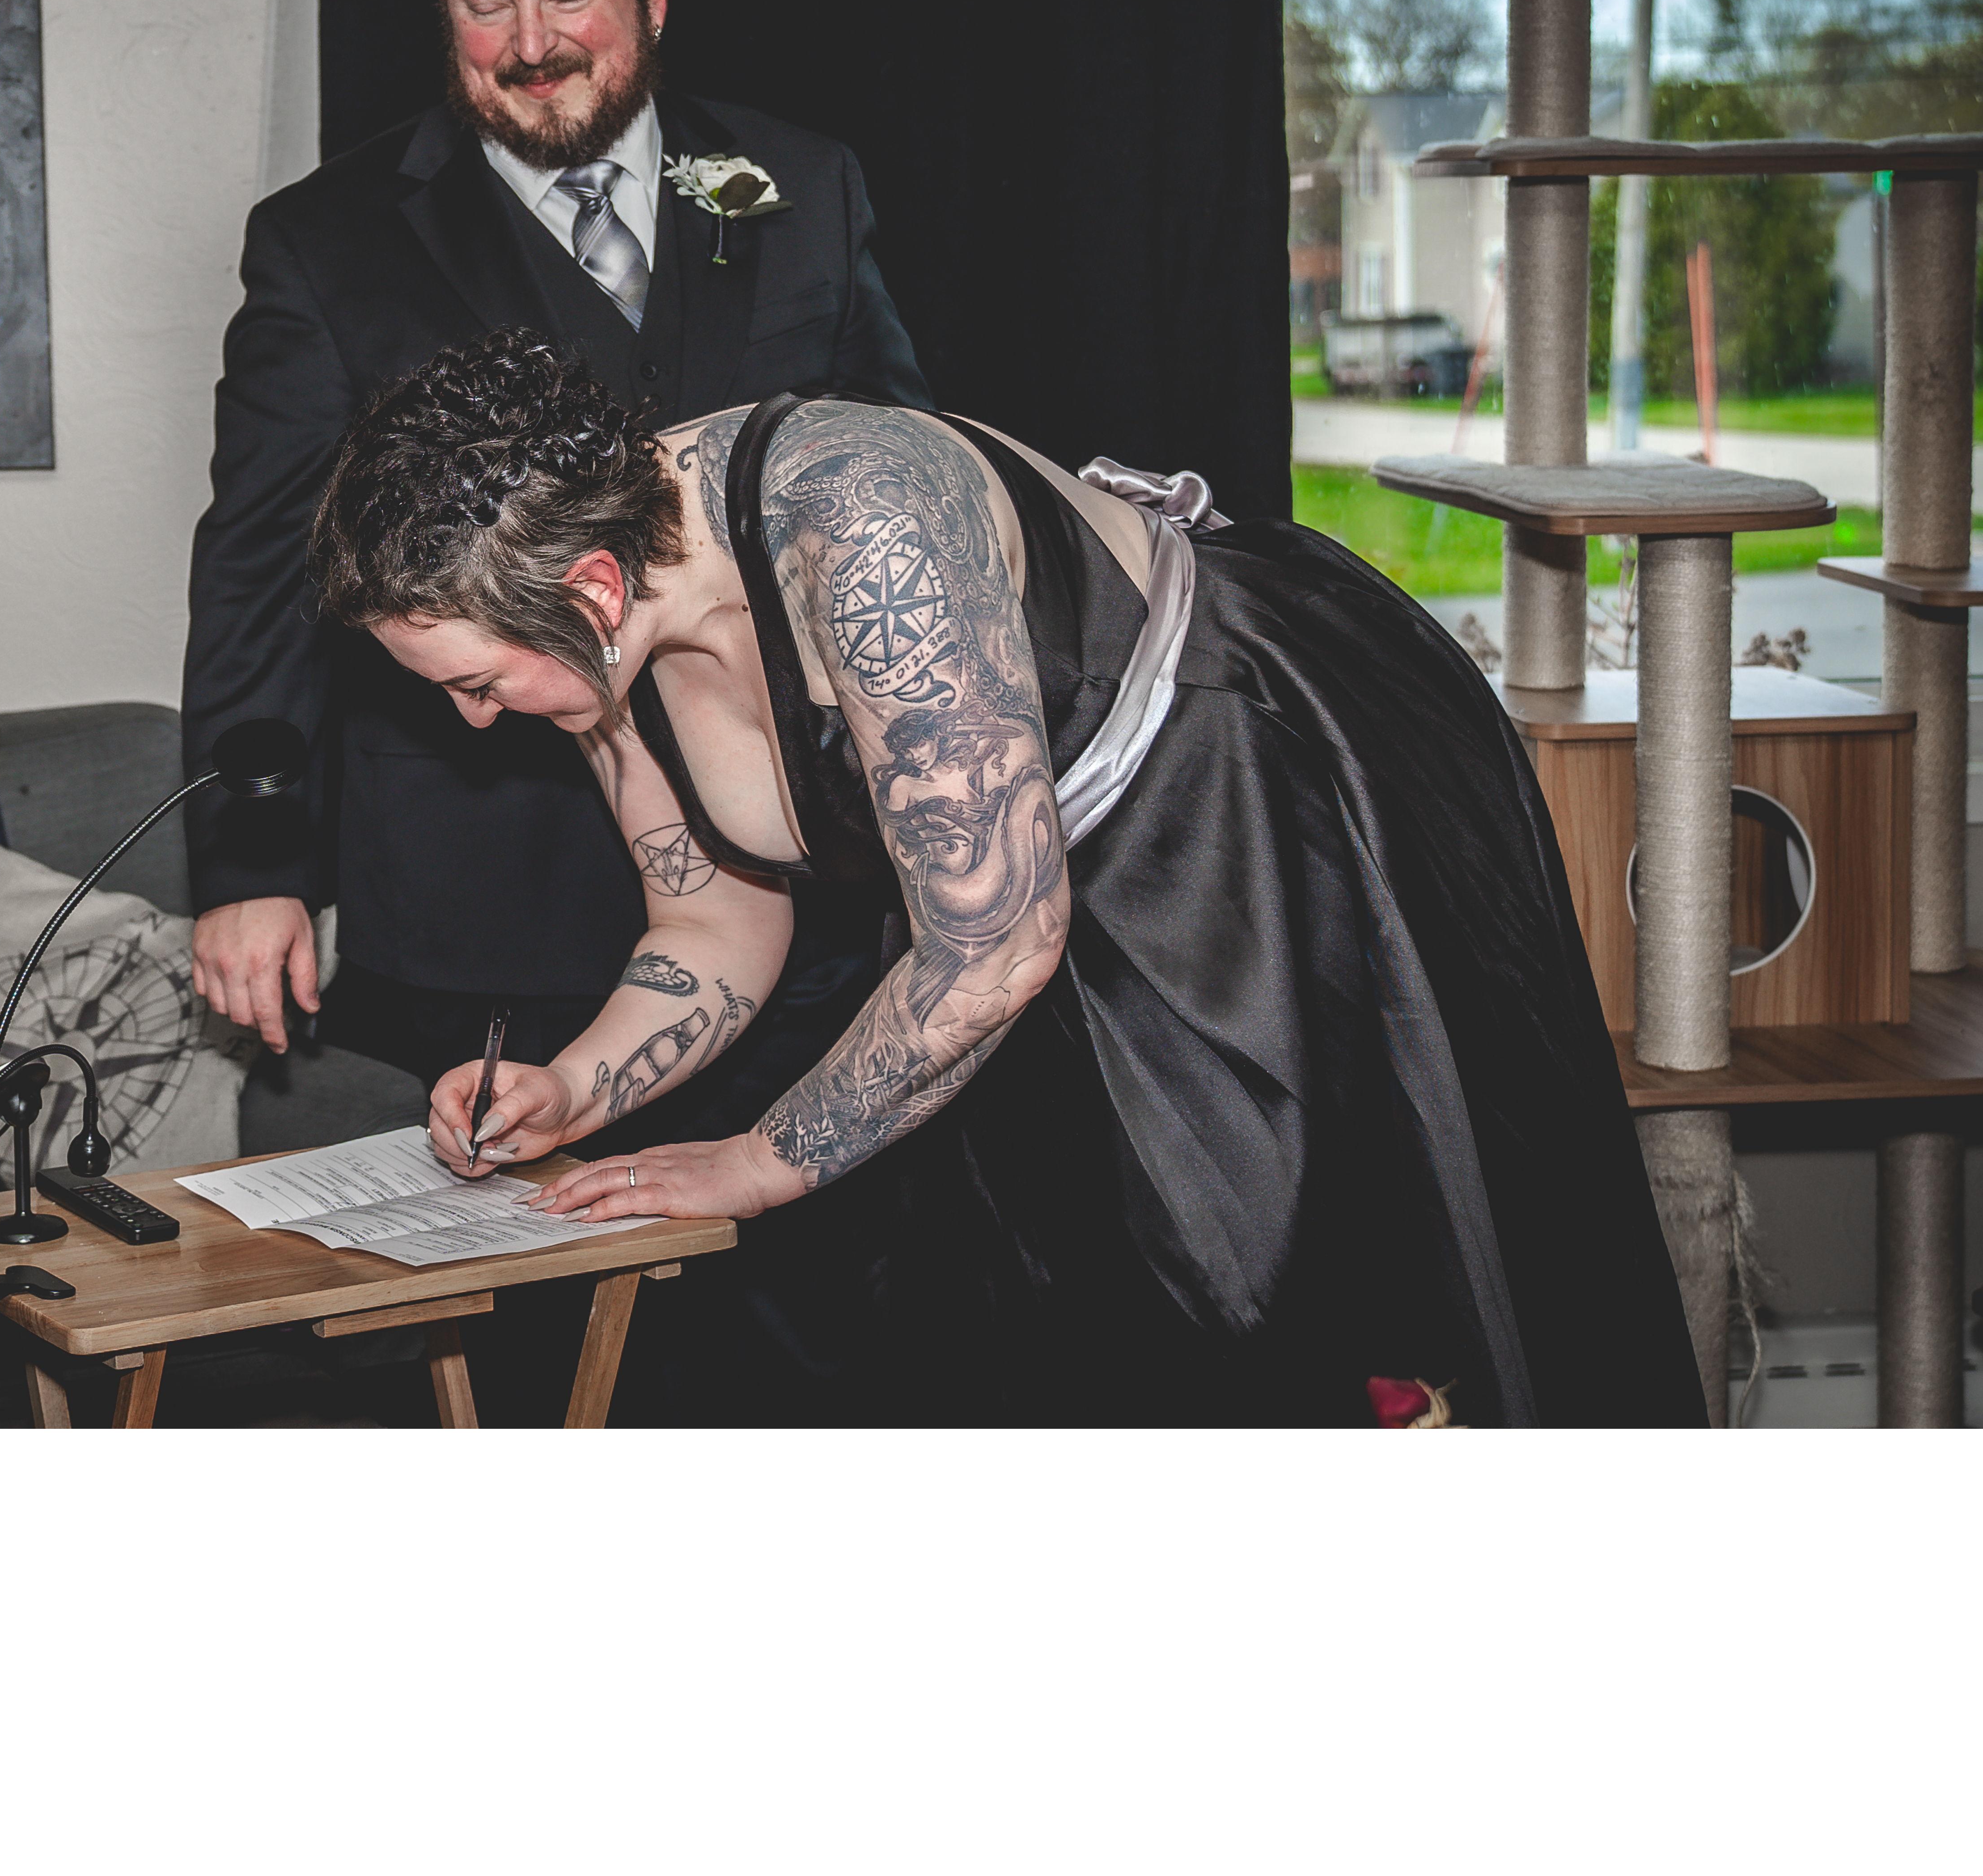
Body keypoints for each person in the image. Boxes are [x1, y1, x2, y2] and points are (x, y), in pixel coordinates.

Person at [305, 331, 1708, 1427]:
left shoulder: (859, 519)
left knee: (1264, 1304)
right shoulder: (593, 648)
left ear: (597, 591)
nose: (474, 722)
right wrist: (574, 1088)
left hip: (1251, 801)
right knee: (1042, 1325)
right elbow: (716, 917)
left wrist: (749, 1163)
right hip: (1012, 917)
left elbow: (986, 949)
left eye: (478, 685)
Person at [179, 0, 926, 1093]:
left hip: (793, 876)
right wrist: (256, 867)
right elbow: (260, 573)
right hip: (481, 908)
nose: (532, 44)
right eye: (486, 4)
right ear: (442, 12)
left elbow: (893, 481)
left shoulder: (801, 185)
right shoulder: (325, 242)